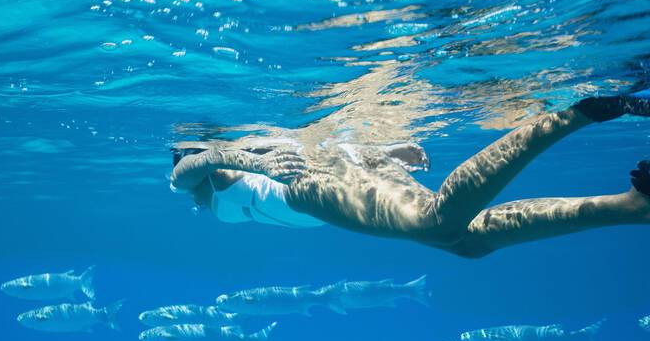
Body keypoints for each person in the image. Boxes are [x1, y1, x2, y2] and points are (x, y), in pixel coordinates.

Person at [170, 95, 650, 258]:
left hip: (307, 185)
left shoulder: (207, 170)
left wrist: (255, 162)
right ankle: (633, 207)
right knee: (467, 243)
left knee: (435, 223)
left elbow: (190, 169)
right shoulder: (213, 189)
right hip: (333, 174)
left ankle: (579, 114)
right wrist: (379, 152)